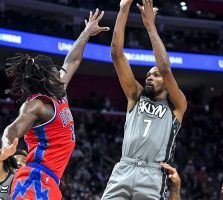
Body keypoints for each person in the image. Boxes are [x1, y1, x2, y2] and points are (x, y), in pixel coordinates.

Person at [0, 9, 109, 200]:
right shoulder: (37, 105)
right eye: (54, 76)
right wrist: (6, 147)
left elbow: (73, 59)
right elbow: (11, 130)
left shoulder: (59, 90)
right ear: (43, 82)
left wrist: (86, 32)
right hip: (34, 179)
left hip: (49, 179)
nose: (60, 77)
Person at [102, 0, 187, 199]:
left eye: (155, 75)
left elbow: (165, 68)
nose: (150, 77)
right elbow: (116, 54)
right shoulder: (135, 96)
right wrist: (123, 9)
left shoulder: (177, 106)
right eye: (148, 74)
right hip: (124, 168)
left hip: (153, 174)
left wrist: (150, 27)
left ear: (166, 83)